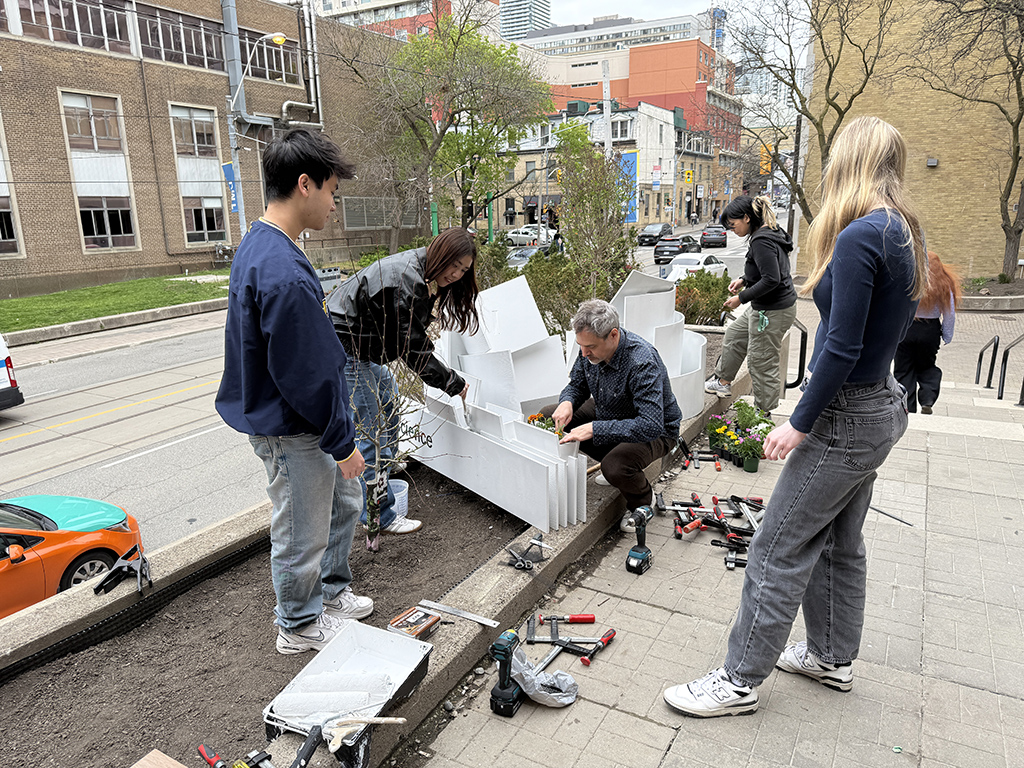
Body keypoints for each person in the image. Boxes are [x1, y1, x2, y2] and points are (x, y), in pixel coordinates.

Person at [664, 116, 926, 717]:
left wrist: (800, 420)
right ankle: (831, 658)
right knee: (839, 540)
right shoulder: (905, 230)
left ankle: (737, 681)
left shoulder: (862, 234)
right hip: (881, 405)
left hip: (847, 417)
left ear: (848, 162)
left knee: (775, 547)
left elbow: (840, 345)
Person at [215, 129, 374, 655]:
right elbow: (307, 373)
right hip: (293, 426)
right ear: (304, 185)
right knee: (301, 528)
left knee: (341, 503)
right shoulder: (282, 269)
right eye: (331, 190)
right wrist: (343, 441)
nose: (333, 203)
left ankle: (328, 594)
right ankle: (300, 624)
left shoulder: (265, 247)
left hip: (298, 421)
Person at [328, 228, 479, 536]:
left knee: (389, 405)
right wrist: (453, 383)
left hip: (359, 344)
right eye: (455, 265)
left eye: (464, 270)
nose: (456, 274)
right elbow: (414, 351)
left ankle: (385, 466)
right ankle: (379, 516)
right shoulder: (407, 283)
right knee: (370, 433)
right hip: (346, 347)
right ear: (441, 253)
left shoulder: (418, 271)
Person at [549, 300, 681, 522]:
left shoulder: (641, 361)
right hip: (610, 409)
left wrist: (595, 428)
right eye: (580, 345)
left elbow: (650, 425)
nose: (583, 353)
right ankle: (616, 461)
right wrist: (567, 401)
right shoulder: (588, 350)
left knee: (615, 466)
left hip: (657, 429)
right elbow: (577, 385)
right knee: (549, 414)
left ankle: (641, 505)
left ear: (613, 335)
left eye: (590, 347)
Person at [704, 195, 798, 415]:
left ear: (746, 218)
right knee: (735, 334)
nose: (731, 229)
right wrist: (744, 279)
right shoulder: (768, 232)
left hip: (772, 310)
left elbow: (772, 279)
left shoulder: (761, 240)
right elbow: (767, 268)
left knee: (761, 361)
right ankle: (723, 382)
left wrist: (741, 297)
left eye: (733, 224)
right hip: (766, 306)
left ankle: (762, 416)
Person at [894, 252, 961, 414]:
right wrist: (947, 335)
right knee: (927, 365)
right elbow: (949, 313)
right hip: (930, 330)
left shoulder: (907, 279)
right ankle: (928, 398)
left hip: (907, 327)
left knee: (904, 368)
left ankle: (906, 406)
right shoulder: (944, 284)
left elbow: (895, 305)